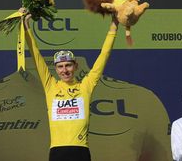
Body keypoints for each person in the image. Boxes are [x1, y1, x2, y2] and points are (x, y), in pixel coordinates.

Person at [23, 12, 118, 161]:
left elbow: (103, 56)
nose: (64, 70)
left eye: (68, 65)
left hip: (80, 150)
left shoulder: (85, 85)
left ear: (75, 66)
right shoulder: (51, 86)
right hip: (57, 151)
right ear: (55, 69)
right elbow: (36, 56)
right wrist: (26, 26)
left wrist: (114, 25)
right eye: (60, 66)